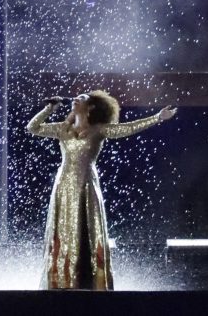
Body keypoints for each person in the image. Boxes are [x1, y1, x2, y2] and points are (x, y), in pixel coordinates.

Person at [26, 91, 176, 290]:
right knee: (64, 229)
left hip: (87, 185)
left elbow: (126, 129)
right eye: (76, 98)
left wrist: (157, 118)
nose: (76, 99)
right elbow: (32, 128)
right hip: (64, 186)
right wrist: (49, 108)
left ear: (91, 107)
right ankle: (63, 280)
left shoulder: (99, 130)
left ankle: (88, 280)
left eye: (82, 98)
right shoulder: (63, 129)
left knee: (86, 230)